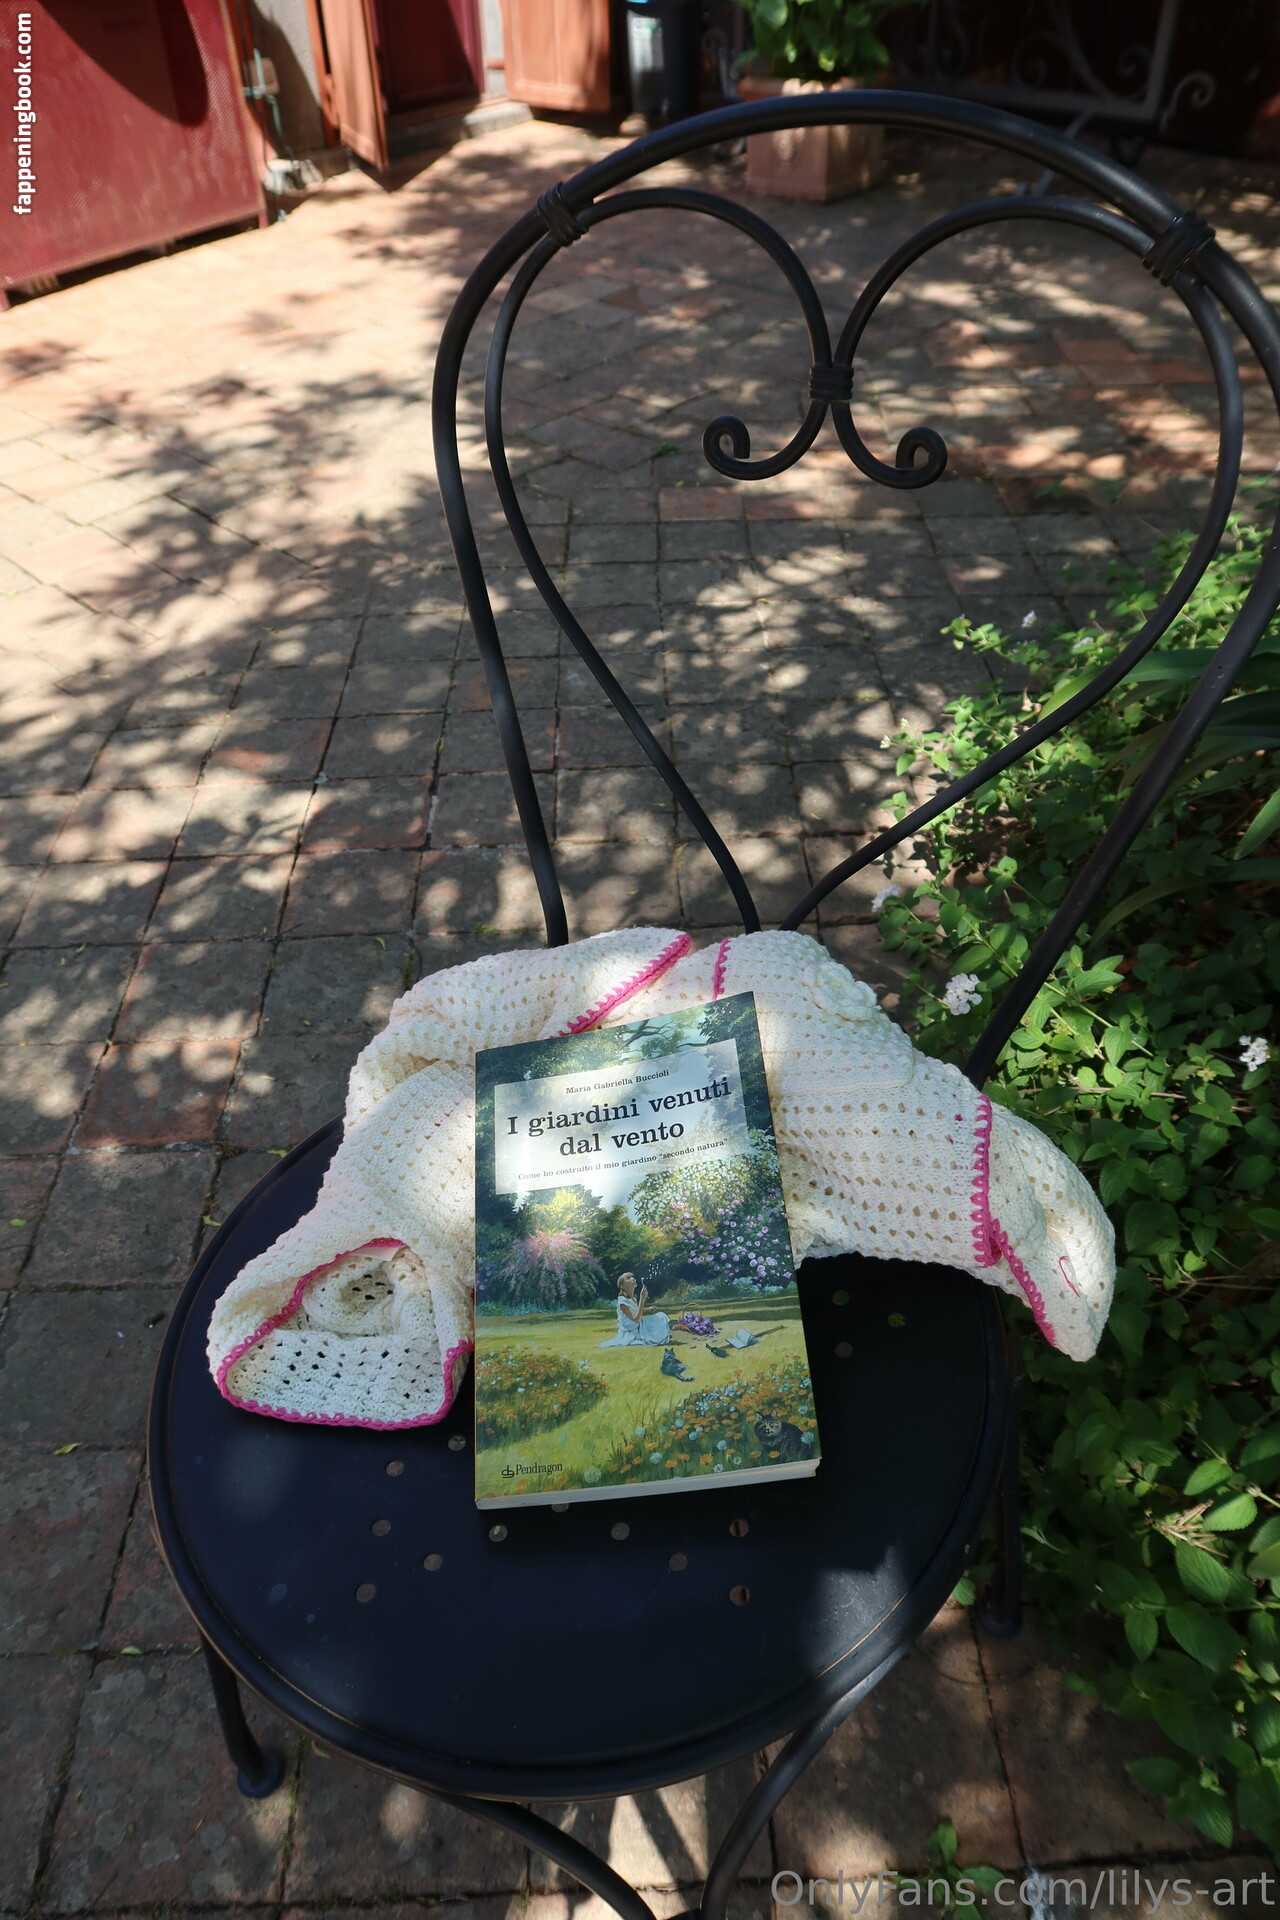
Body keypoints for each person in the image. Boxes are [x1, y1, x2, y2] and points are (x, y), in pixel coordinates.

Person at [598, 1272, 672, 1348]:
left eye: (632, 1277)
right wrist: (642, 1299)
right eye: (628, 1278)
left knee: (661, 1316)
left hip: (638, 1325)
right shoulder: (622, 1302)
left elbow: (635, 1311)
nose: (633, 1279)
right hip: (631, 1330)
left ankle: (663, 1335)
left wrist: (647, 1309)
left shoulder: (633, 1298)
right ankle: (660, 1336)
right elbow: (636, 1319)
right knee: (658, 1319)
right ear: (622, 1286)